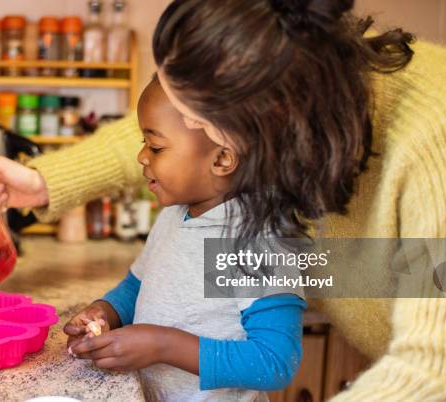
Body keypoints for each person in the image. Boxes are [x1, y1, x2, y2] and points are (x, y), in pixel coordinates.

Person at [0, 0, 446, 400]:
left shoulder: (436, 133)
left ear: (246, 136)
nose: (145, 153)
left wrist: (162, 345)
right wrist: (45, 183)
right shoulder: (187, 209)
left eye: (196, 119)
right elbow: (176, 131)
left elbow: (432, 368)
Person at [65, 77, 307, 401]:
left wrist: (163, 345)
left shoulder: (255, 239)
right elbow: (137, 287)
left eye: (155, 146)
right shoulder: (174, 215)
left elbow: (275, 361)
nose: (141, 156)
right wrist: (104, 312)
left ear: (222, 158)